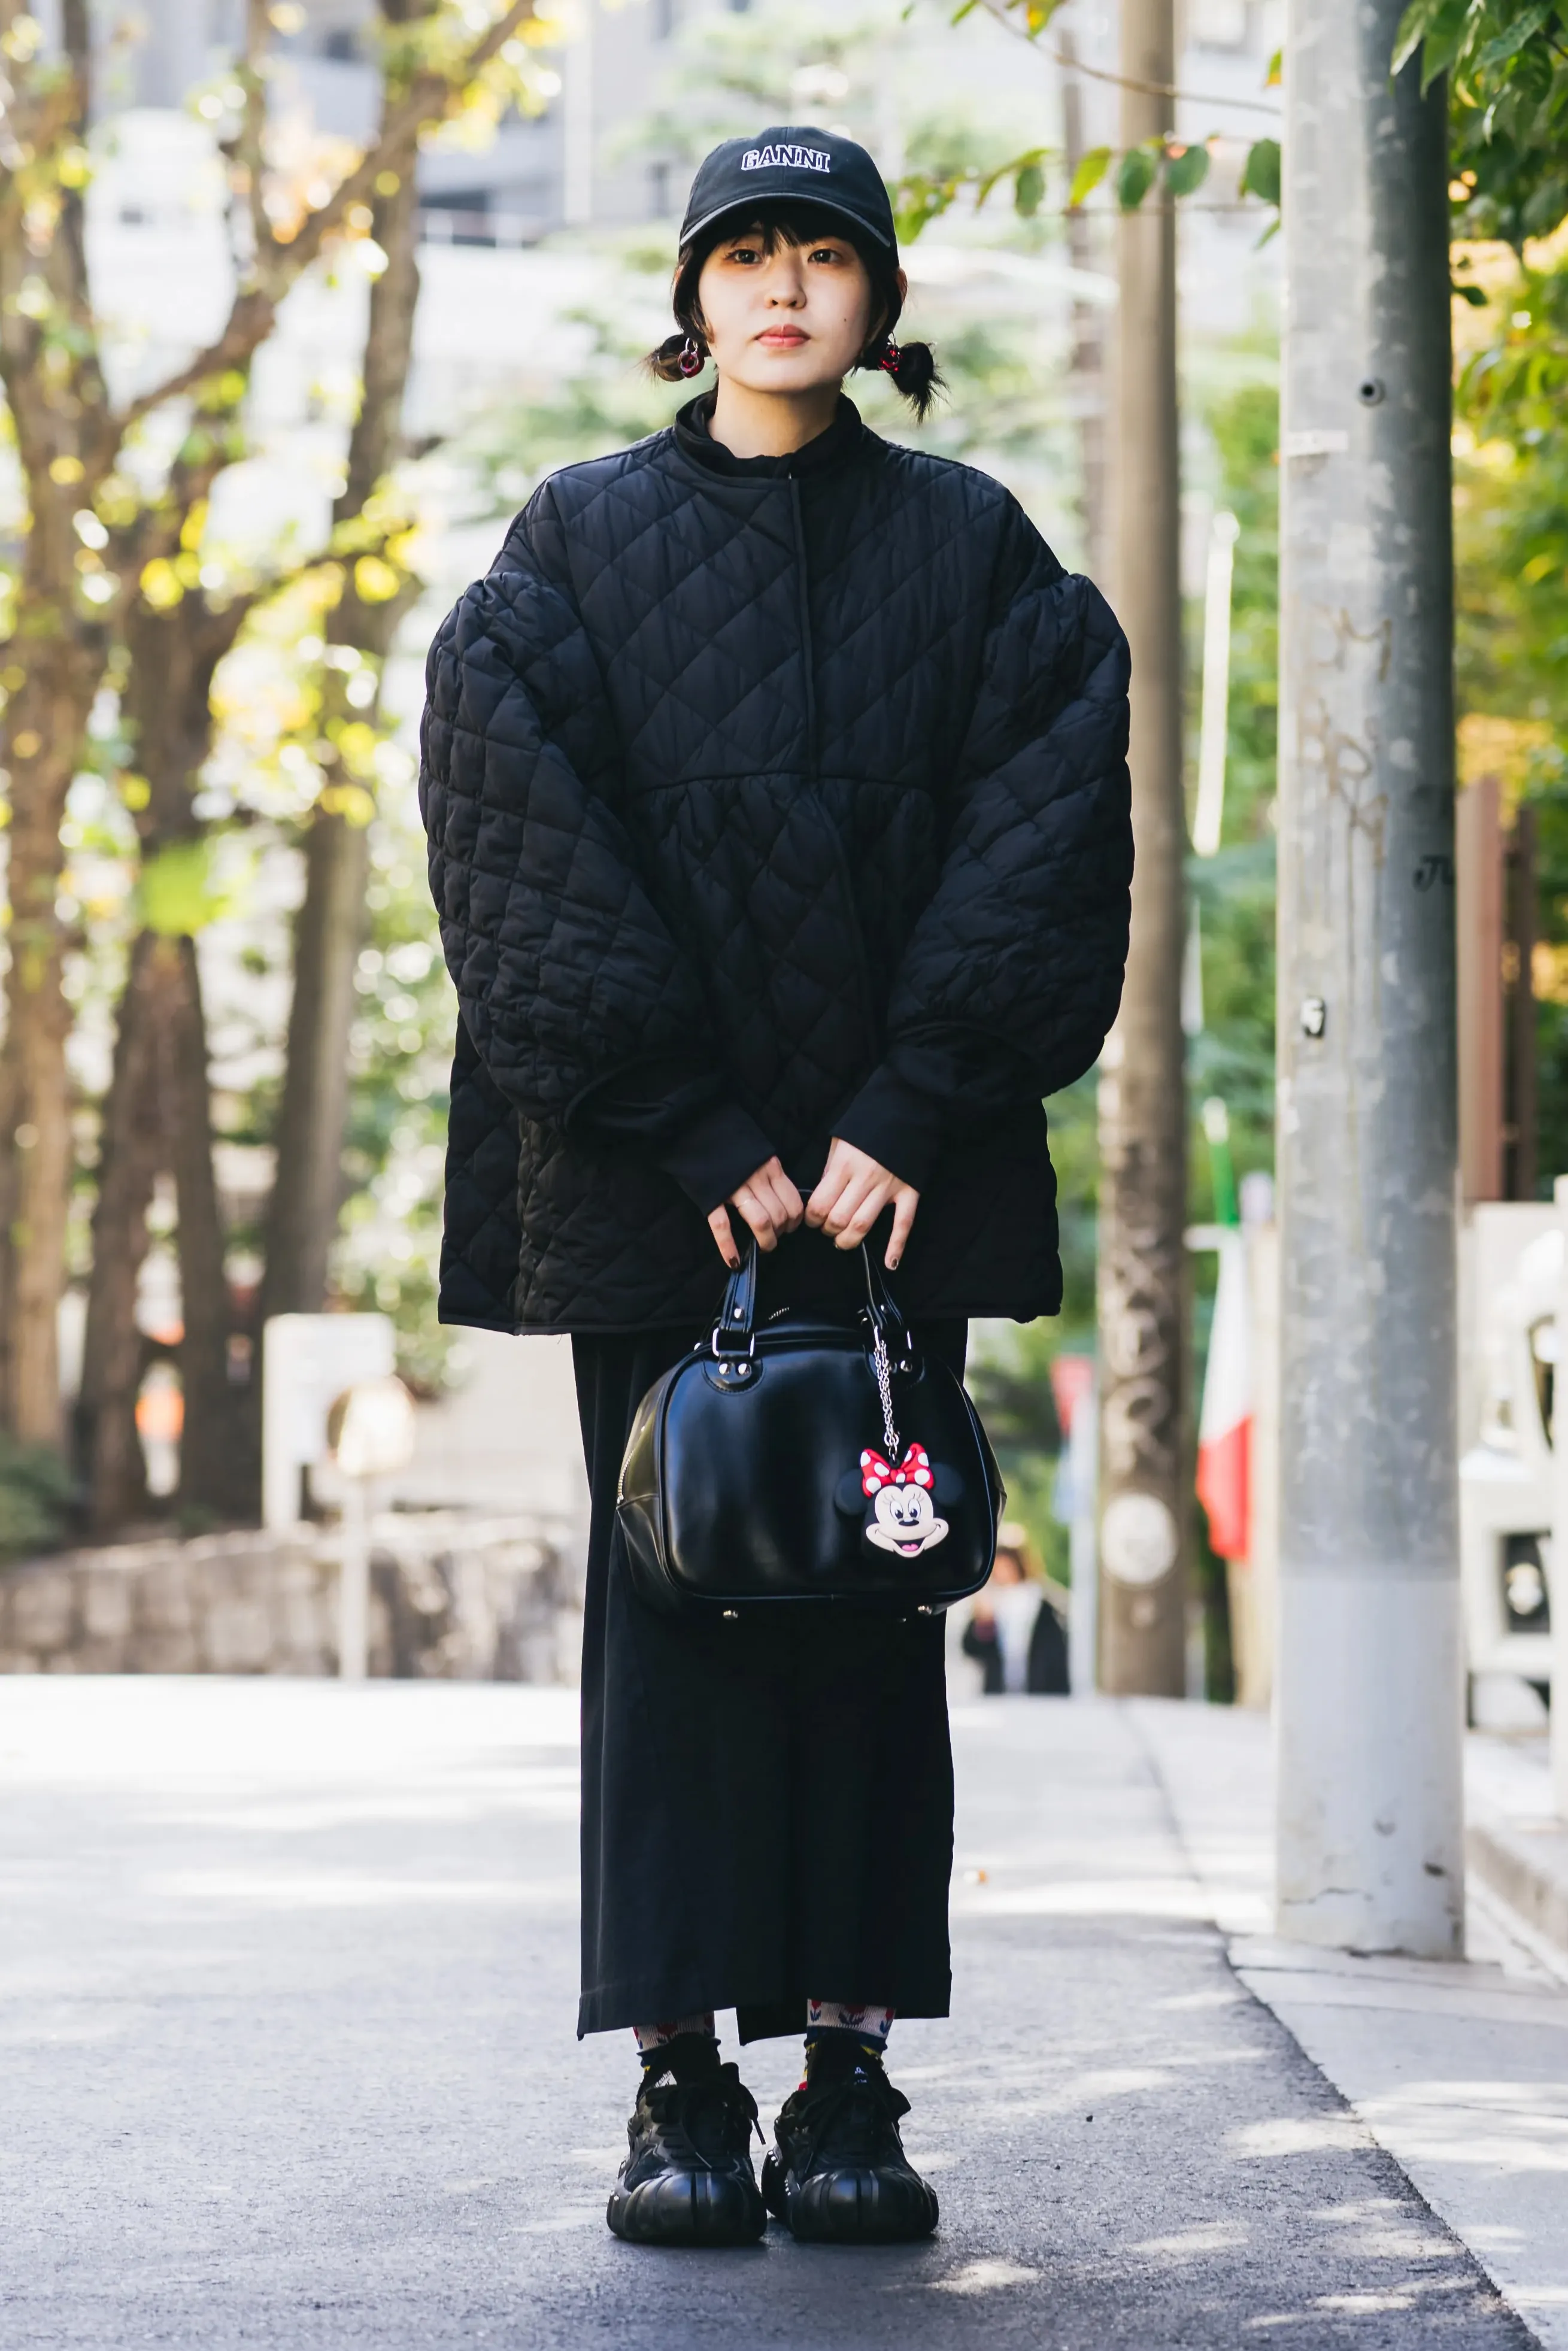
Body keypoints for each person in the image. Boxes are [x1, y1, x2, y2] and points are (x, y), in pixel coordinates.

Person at [420, 124, 1132, 2249]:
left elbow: (1047, 827)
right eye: (747, 254)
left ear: (880, 301)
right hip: (661, 1190)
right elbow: (512, 834)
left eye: (826, 254)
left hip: (896, 1185)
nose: (786, 288)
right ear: (695, 296)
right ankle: (675, 2092)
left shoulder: (977, 546)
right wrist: (696, 1124)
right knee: (673, 1618)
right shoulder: (574, 540)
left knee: (872, 1618)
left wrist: (909, 1102)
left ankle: (847, 2083)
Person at [961, 1522, 1071, 1695]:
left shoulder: (1041, 1602)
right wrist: (983, 1624)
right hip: (999, 1693)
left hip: (1039, 1694)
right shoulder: (988, 1602)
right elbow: (971, 1648)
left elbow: (1055, 1651)